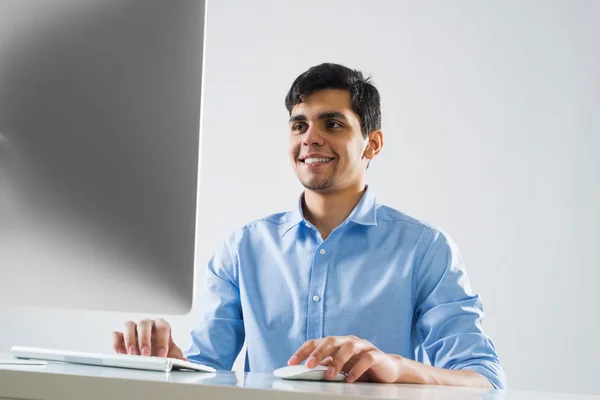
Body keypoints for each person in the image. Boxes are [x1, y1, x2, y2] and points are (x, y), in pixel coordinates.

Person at [112, 63, 506, 389]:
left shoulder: (424, 248)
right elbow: (207, 371)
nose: (311, 138)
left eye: (332, 124)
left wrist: (397, 369)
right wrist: (167, 365)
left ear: (373, 145)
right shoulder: (243, 248)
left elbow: (485, 379)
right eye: (299, 125)